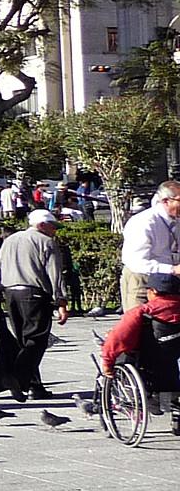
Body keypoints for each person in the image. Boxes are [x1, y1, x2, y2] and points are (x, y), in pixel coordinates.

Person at [0, 209, 72, 400]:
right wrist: (61, 302)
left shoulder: (10, 240)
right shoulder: (46, 242)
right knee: (37, 340)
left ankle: (34, 386)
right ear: (41, 225)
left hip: (10, 295)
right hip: (33, 294)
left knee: (23, 340)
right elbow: (55, 274)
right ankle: (18, 377)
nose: (54, 231)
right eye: (52, 226)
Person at [97, 273, 180, 431]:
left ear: (153, 291)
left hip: (146, 363)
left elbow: (117, 339)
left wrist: (107, 364)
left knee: (121, 353)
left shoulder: (142, 312)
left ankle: (137, 403)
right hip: (173, 361)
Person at [120, 180, 180, 310]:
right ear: (166, 201)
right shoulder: (144, 222)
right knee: (139, 325)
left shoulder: (176, 221)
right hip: (142, 280)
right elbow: (137, 263)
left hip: (168, 282)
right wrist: (172, 269)